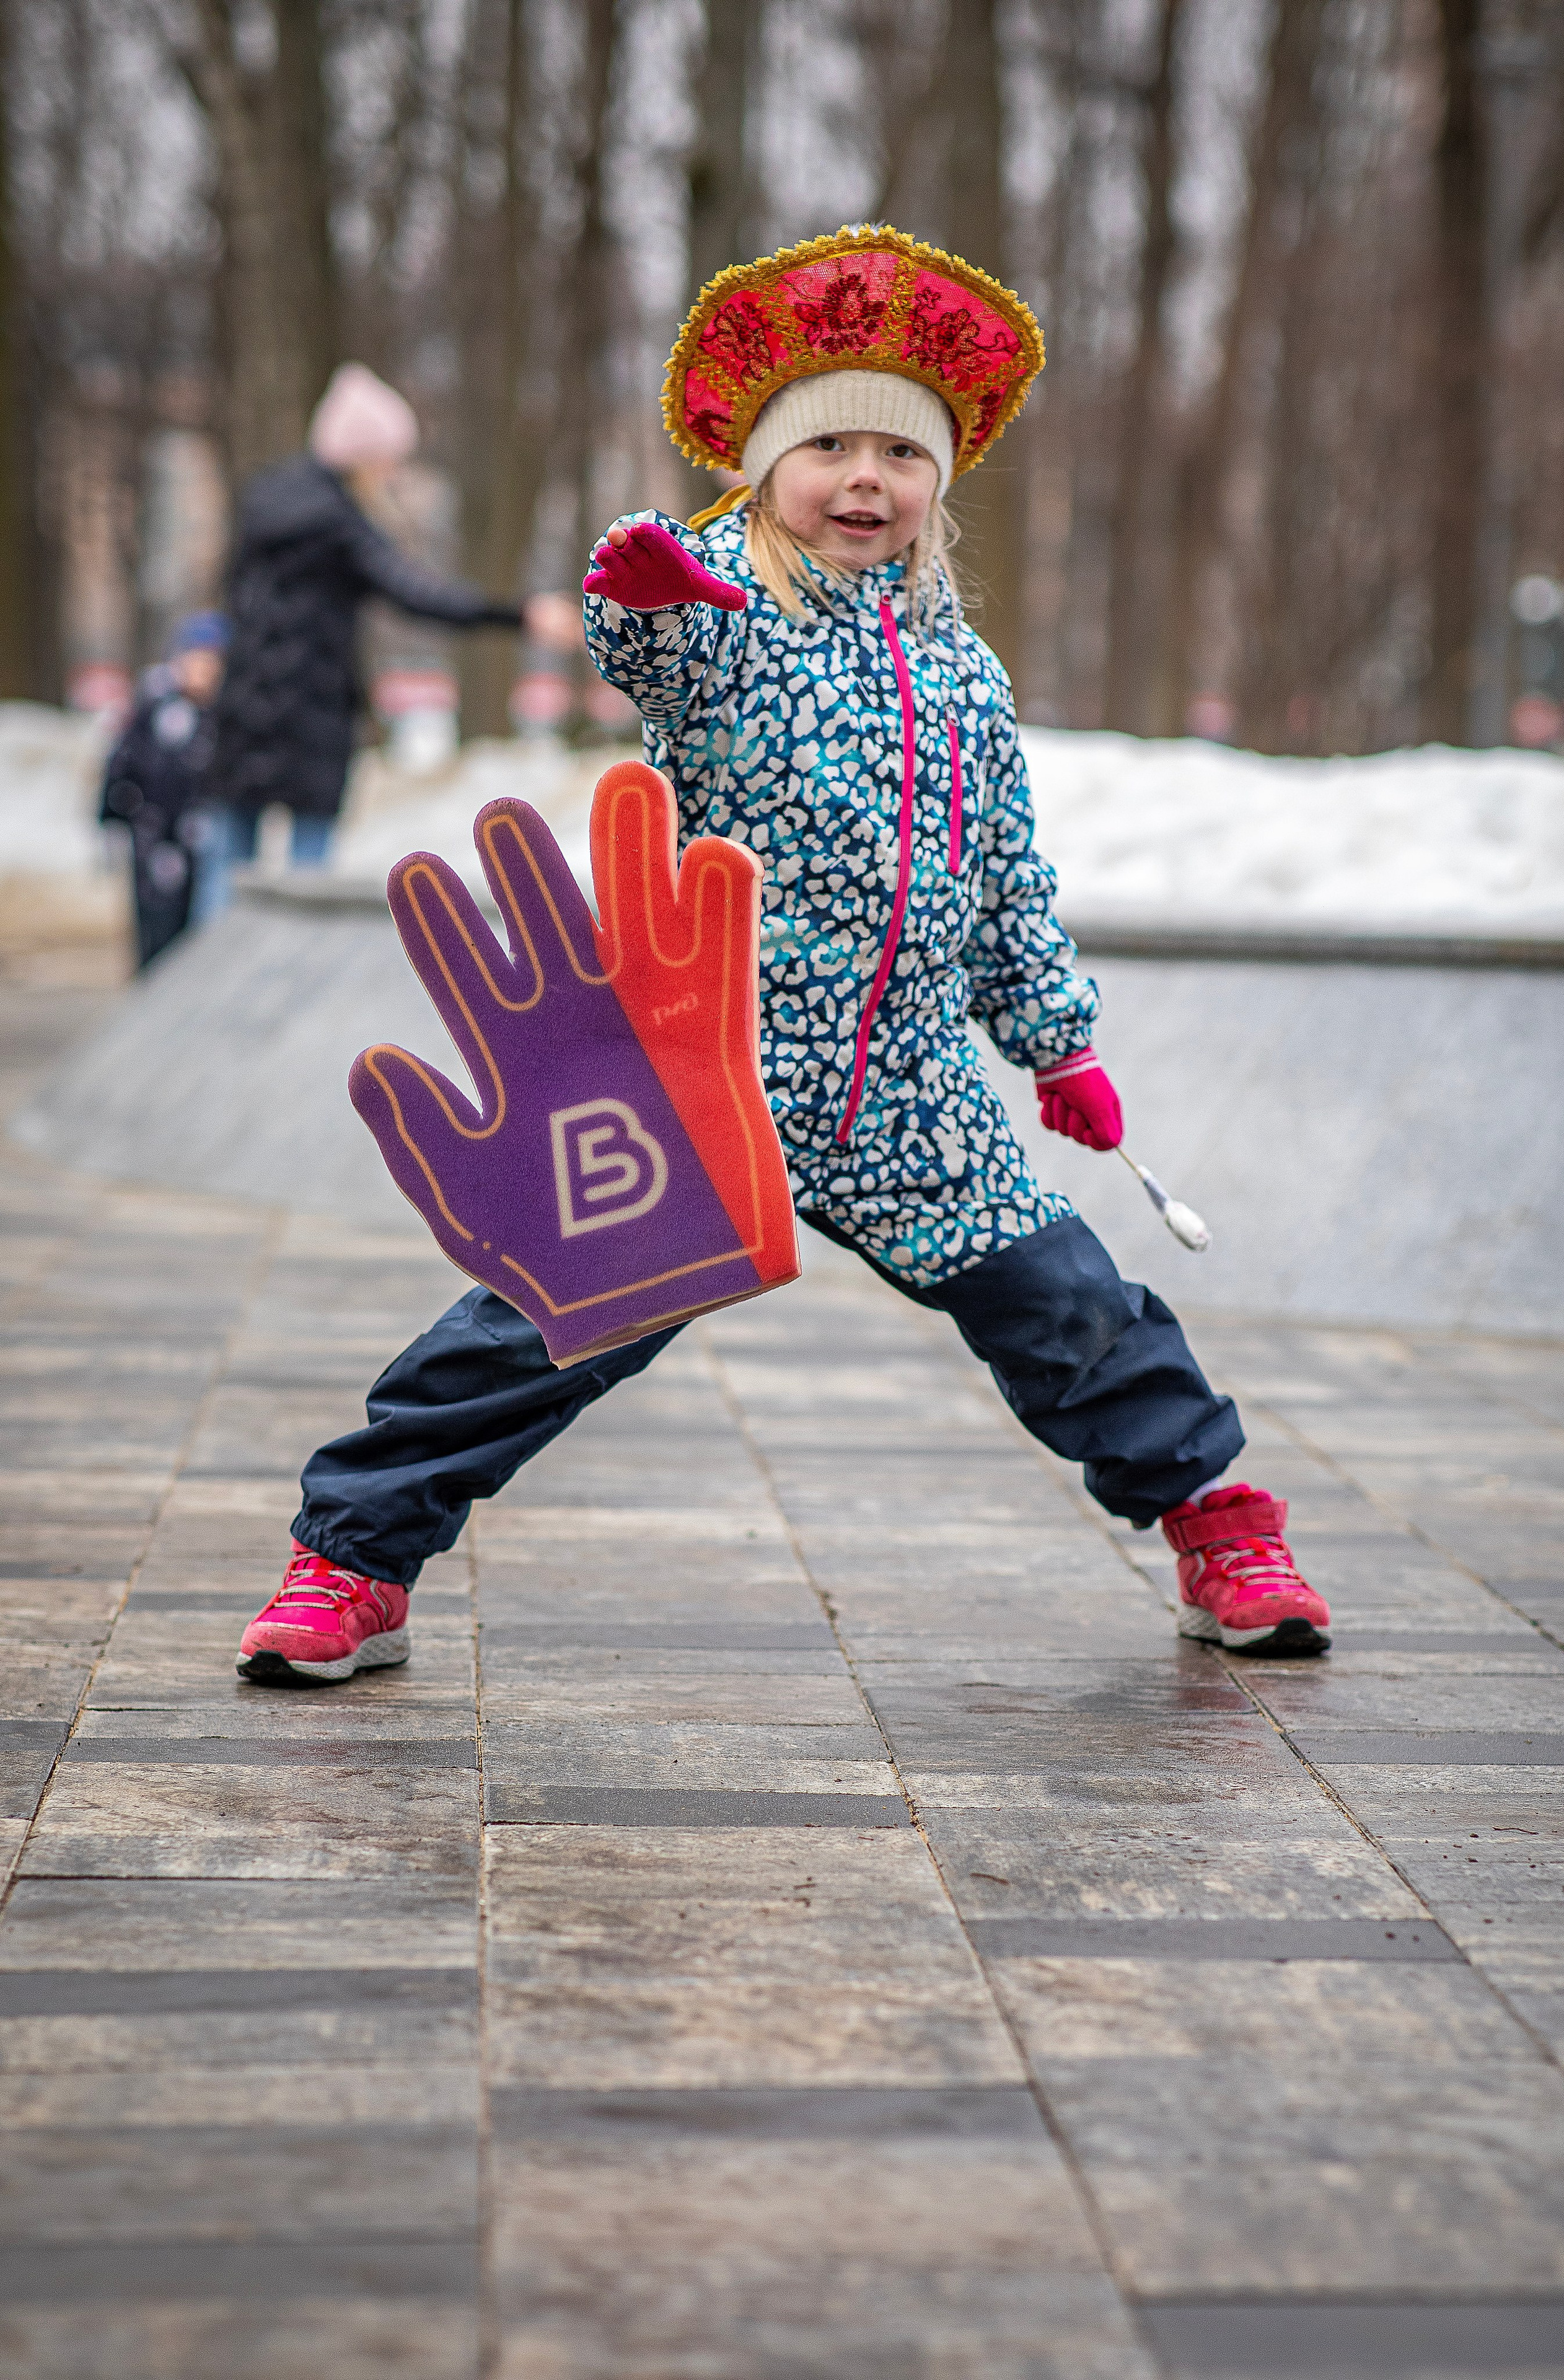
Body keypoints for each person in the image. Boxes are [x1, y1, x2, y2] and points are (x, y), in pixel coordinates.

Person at [235, 227, 1332, 1686]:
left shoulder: (964, 674)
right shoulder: (727, 616)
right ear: (761, 469)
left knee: (1068, 1309)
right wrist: (644, 603)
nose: (862, 477)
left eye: (898, 449)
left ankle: (1215, 1521)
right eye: (826, 449)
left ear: (939, 479)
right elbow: (651, 646)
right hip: (705, 1069)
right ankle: (352, 1559)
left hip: (909, 1088)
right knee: (539, 1325)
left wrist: (1054, 1040)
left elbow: (1003, 875)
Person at [206, 363, 529, 904]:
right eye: (391, 459)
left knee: (225, 866)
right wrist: (513, 615)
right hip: (313, 714)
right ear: (364, 455)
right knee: (308, 880)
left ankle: (205, 978)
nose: (393, 472)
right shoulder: (340, 523)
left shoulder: (263, 502)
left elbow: (230, 594)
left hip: (244, 708)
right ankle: (292, 982)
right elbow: (413, 592)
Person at [98, 611, 229, 969]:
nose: (203, 669)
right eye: (196, 658)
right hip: (151, 833)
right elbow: (123, 760)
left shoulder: (221, 713)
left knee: (199, 924)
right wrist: (111, 814)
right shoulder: (155, 703)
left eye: (213, 661)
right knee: (155, 925)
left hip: (200, 834)